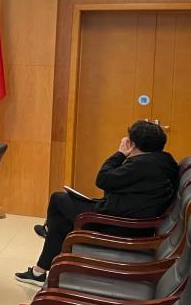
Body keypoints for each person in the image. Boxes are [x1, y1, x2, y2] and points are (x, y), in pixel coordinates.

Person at [16, 120, 179, 285]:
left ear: (132, 144)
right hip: (130, 219)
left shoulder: (141, 165)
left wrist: (120, 154)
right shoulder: (165, 162)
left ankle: (47, 231)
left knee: (58, 199)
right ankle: (38, 271)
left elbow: (103, 180)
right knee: (61, 220)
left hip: (118, 224)